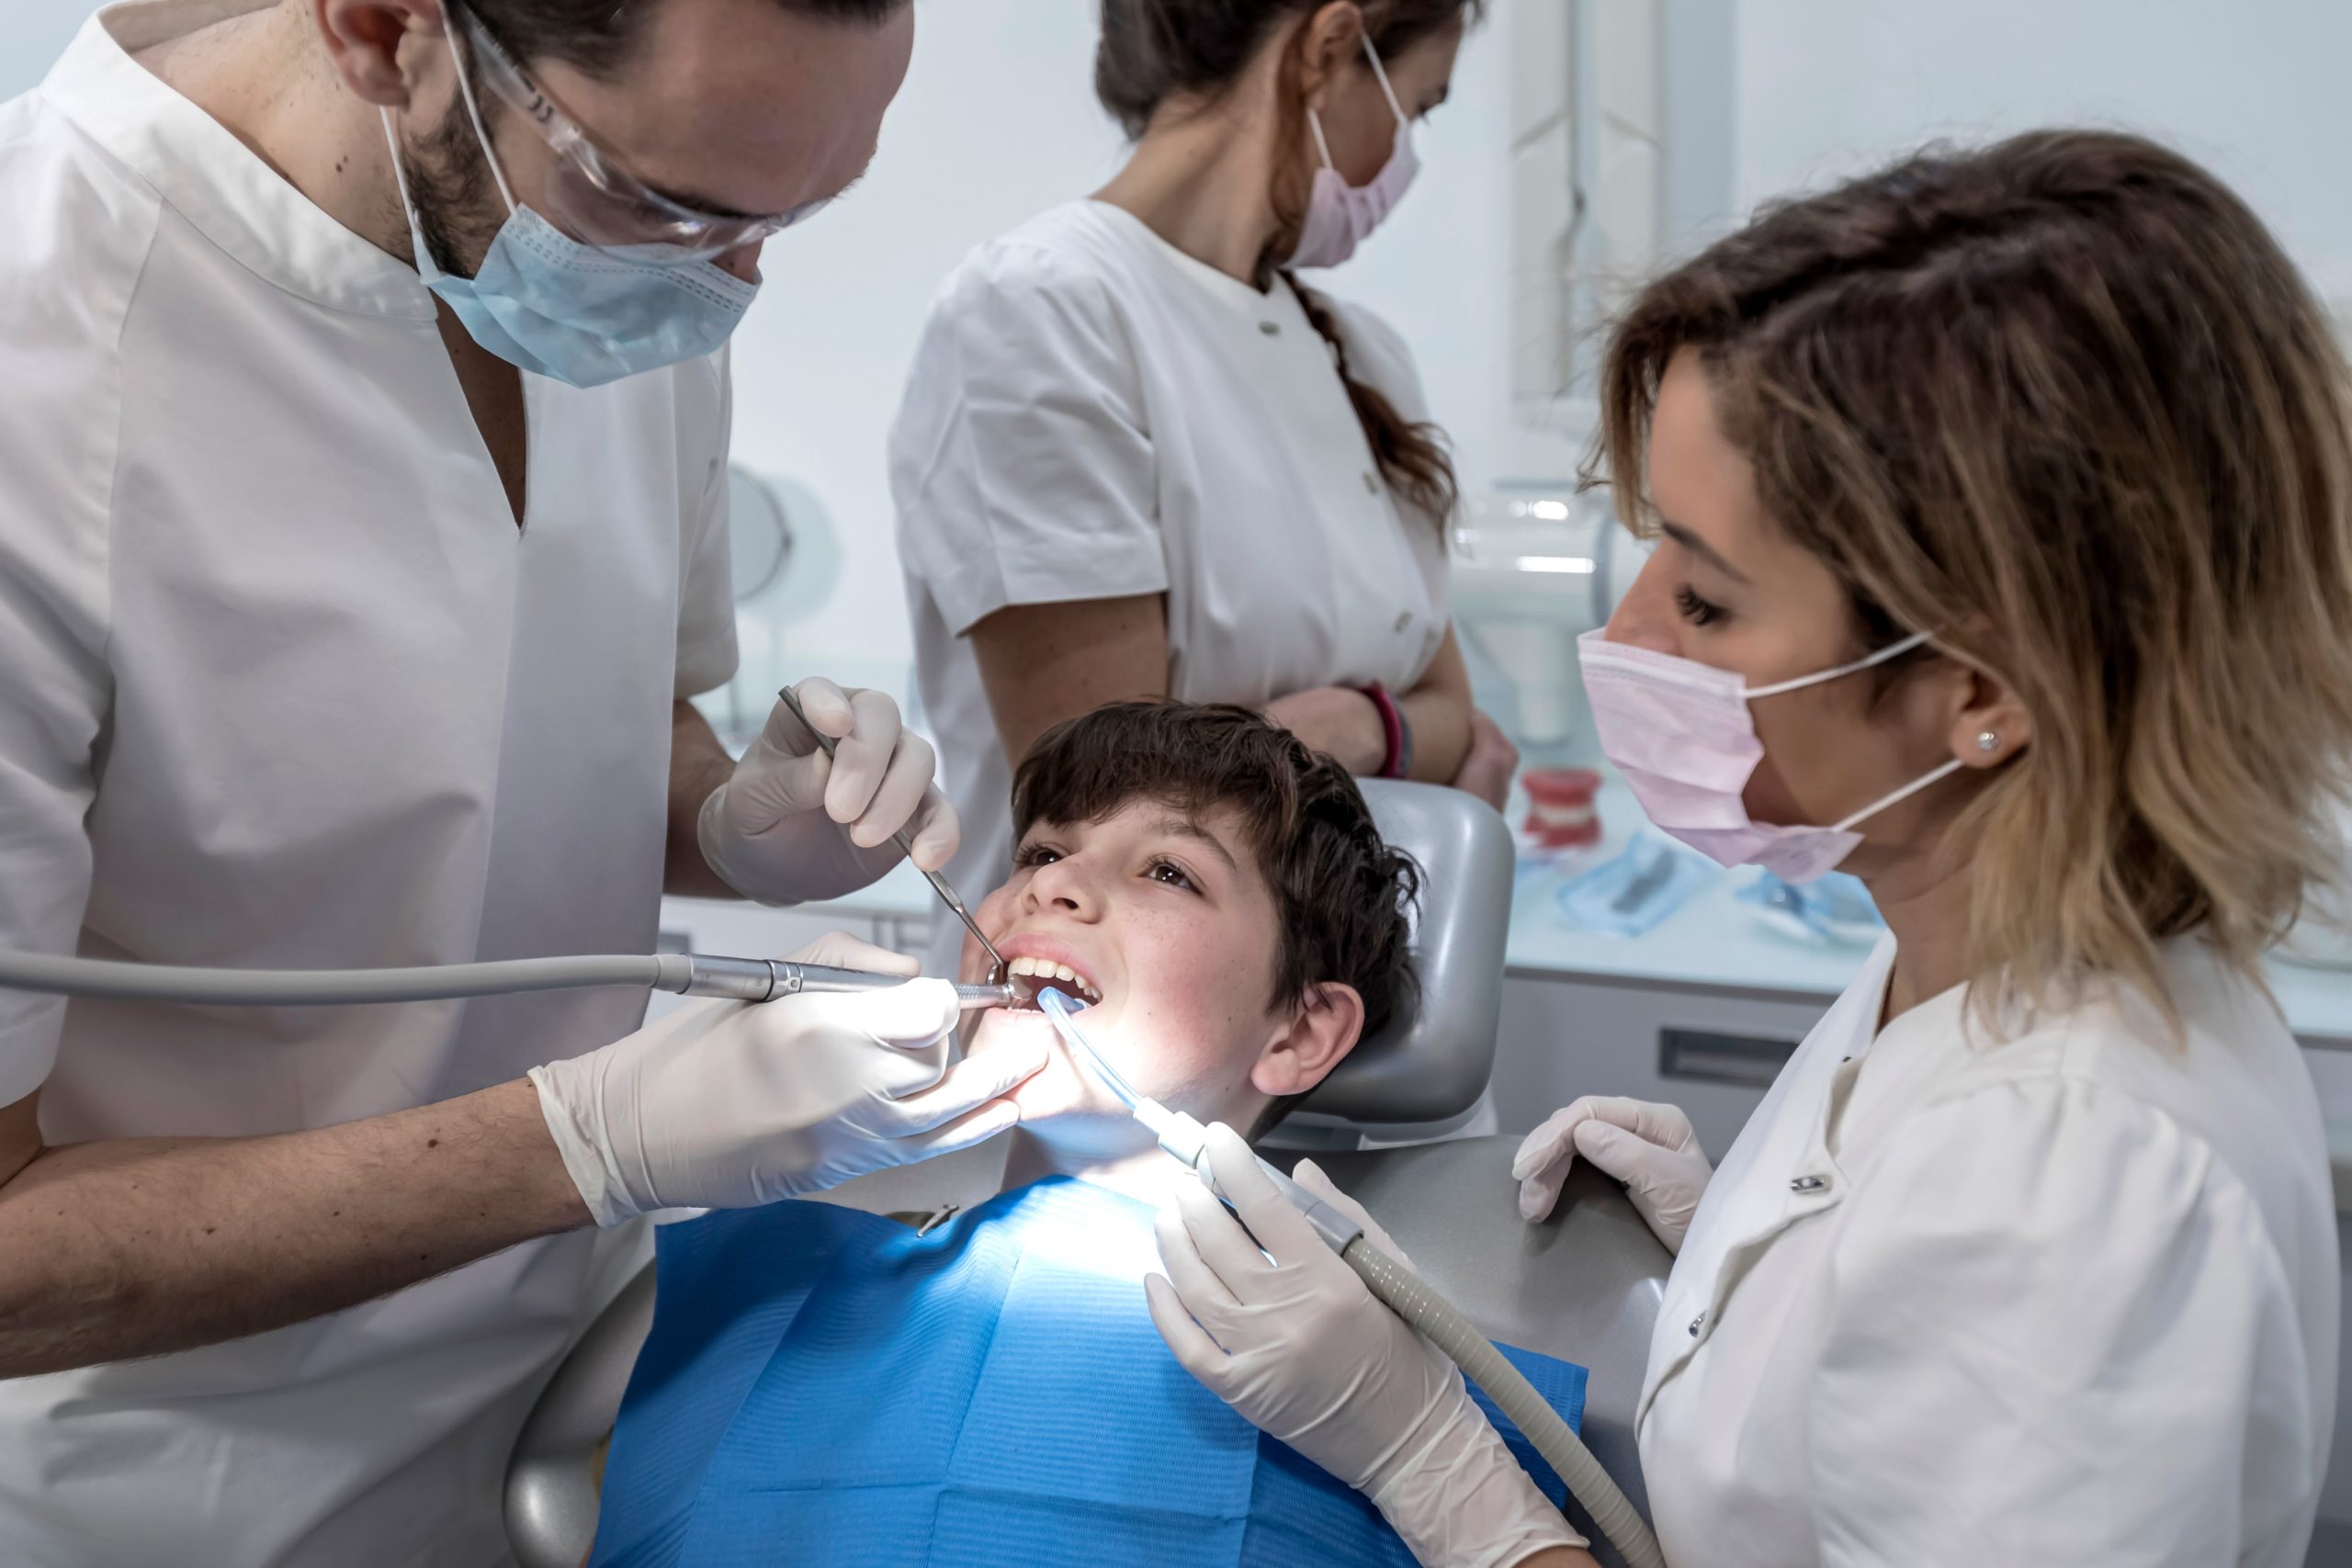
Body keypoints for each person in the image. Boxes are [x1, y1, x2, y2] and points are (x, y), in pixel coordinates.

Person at [1149, 129, 2352, 1565]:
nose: (1629, 633)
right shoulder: (1967, 938)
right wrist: (1757, 1244)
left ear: (1981, 689)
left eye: (1709, 602)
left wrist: (1438, 1466)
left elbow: (1987, 1300)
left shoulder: (2071, 1190)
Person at [0, 2, 1044, 1562]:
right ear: (384, 30)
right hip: (196, 1478)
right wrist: (596, 1136)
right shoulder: (48, 364)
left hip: (591, 1390)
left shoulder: (628, 276)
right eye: (675, 206)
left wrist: (734, 820)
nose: (734, 282)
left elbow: (562, 718)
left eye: (798, 214)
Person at [588, 702, 1584, 1566]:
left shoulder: (1381, 1392)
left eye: (1169, 872)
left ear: (1299, 1030)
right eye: (1041, 851)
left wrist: (1420, 1455)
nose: (1051, 886)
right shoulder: (761, 1278)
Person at [890, 0, 1519, 985]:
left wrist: (1357, 728)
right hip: (1113, 1025)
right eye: (1418, 107)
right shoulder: (1046, 311)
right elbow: (1119, 805)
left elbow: (1457, 715)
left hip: (1349, 1010)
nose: (1405, 155)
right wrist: (1400, 750)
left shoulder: (1360, 354)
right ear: (1325, 47)